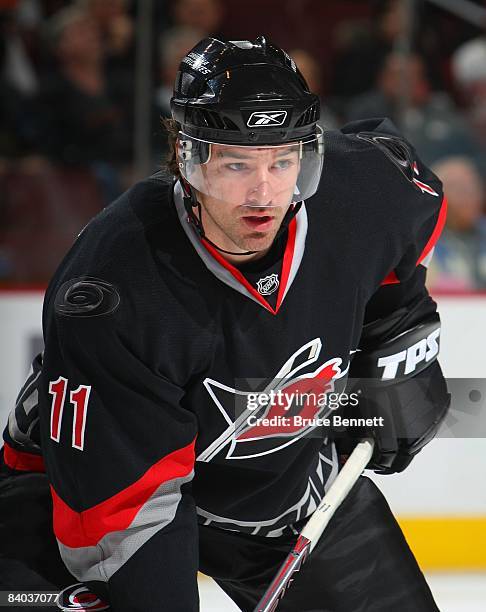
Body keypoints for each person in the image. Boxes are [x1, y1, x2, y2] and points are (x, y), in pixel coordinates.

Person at [0, 37, 450, 611]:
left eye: (282, 161)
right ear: (187, 160)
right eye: (236, 163)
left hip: (284, 493)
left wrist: (399, 325)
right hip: (79, 495)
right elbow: (124, 516)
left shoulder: (358, 194)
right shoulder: (114, 286)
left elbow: (413, 211)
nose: (262, 192)